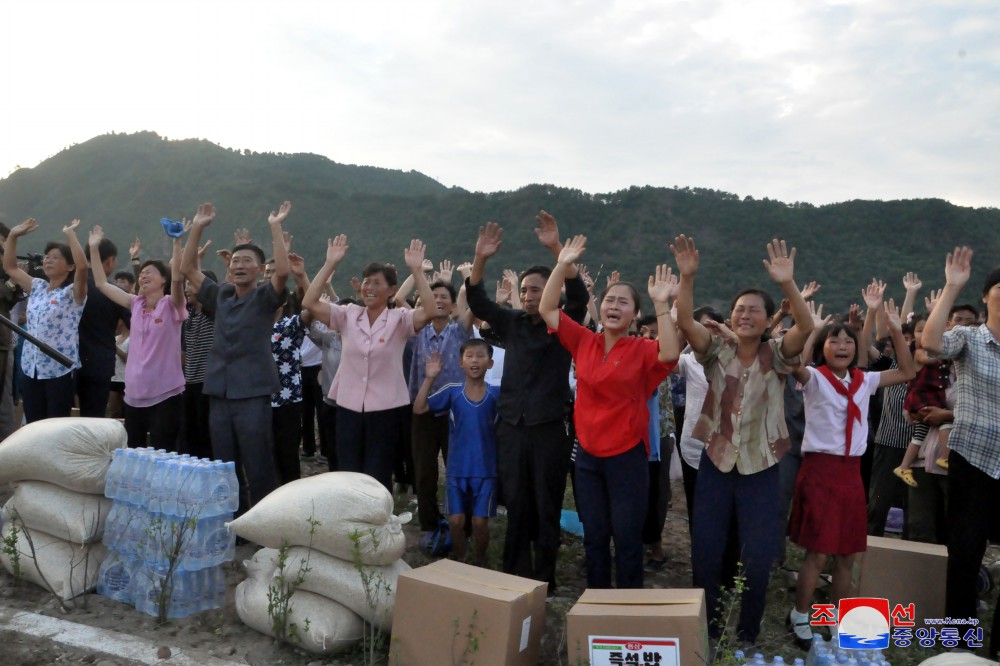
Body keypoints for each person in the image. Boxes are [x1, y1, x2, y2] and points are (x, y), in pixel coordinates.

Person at [671, 235, 814, 646]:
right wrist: (687, 277)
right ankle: (709, 631)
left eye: (754, 309)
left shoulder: (779, 354)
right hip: (716, 463)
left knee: (756, 557)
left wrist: (787, 284)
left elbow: (805, 327)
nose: (745, 314)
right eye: (739, 309)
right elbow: (685, 321)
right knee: (707, 551)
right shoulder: (715, 351)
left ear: (768, 319)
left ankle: (747, 635)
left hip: (762, 467)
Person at [539, 235, 680, 588]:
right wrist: (560, 264)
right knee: (595, 536)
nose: (614, 306)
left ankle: (628, 609)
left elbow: (669, 354)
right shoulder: (585, 341)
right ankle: (598, 605)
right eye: (609, 300)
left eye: (623, 302)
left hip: (627, 458)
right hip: (587, 457)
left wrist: (661, 305)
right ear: (599, 307)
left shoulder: (642, 349)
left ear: (634, 313)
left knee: (628, 539)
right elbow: (547, 309)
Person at [464, 213, 589, 597]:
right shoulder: (514, 321)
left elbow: (580, 297)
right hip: (512, 425)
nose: (530, 295)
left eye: (537, 289)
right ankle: (514, 573)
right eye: (526, 289)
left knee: (547, 501)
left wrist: (558, 252)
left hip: (550, 426)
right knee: (516, 501)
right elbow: (478, 301)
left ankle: (544, 578)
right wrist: (480, 258)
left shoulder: (562, 323)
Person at [786, 298, 915, 647]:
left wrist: (895, 332)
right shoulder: (814, 378)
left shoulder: (865, 381)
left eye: (847, 341)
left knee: (848, 551)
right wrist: (811, 329)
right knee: (818, 551)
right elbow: (794, 362)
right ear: (823, 349)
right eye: (834, 340)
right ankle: (799, 614)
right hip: (820, 470)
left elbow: (907, 372)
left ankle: (834, 616)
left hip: (850, 474)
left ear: (856, 347)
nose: (841, 346)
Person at [301, 235, 437, 491]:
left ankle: (375, 525)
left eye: (377, 282)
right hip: (349, 407)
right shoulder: (349, 315)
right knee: (348, 470)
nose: (369, 287)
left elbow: (430, 311)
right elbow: (309, 302)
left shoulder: (400, 319)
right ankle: (351, 524)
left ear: (392, 290)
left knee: (378, 471)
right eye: (366, 281)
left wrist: (417, 271)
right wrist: (330, 264)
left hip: (385, 410)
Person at [180, 201, 291, 510]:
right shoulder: (222, 295)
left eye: (247, 261)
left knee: (258, 463)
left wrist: (275, 226)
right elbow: (187, 268)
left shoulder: (265, 297)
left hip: (252, 394)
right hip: (219, 393)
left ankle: (264, 523)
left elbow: (282, 271)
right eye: (236, 261)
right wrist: (199, 226)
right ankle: (235, 522)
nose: (239, 265)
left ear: (258, 269)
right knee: (225, 465)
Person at [920, 247, 1000, 659]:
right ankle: (959, 646)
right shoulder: (970, 338)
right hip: (973, 461)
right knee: (965, 553)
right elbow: (931, 343)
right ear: (987, 296)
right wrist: (952, 286)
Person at [89, 226, 186, 448]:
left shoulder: (172, 305)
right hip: (134, 393)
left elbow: (179, 280)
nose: (143, 275)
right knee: (134, 450)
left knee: (162, 451)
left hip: (166, 393)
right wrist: (94, 249)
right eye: (142, 272)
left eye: (150, 271)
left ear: (163, 280)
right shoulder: (135, 304)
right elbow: (102, 284)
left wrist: (177, 242)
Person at [413, 338, 500, 565]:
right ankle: (461, 559)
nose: (474, 360)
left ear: (490, 363)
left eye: (480, 356)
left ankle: (480, 561)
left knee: (480, 522)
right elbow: (419, 407)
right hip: (456, 470)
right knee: (456, 521)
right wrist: (430, 377)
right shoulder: (452, 392)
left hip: (486, 471)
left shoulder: (496, 394)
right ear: (461, 362)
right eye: (469, 356)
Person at [2, 218, 88, 422]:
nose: (48, 260)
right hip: (31, 366)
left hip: (58, 368)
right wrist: (13, 236)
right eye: (47, 257)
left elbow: (83, 267)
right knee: (33, 422)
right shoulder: (38, 286)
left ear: (69, 266)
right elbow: (11, 268)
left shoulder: (72, 293)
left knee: (54, 425)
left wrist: (70, 235)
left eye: (55, 257)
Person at [407, 277, 474, 534]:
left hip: (455, 412)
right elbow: (400, 302)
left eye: (444, 296)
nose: (438, 300)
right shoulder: (418, 331)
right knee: (424, 471)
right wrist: (417, 274)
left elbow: (473, 310)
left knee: (456, 469)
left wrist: (471, 281)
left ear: (452, 304)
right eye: (433, 296)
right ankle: (429, 523)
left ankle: (462, 524)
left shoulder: (459, 331)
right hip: (423, 410)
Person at [893, 314, 952, 485]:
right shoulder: (919, 352)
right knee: (944, 421)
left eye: (931, 330)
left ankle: (904, 466)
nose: (926, 334)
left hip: (927, 398)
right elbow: (929, 360)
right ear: (913, 337)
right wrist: (943, 355)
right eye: (920, 331)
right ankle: (945, 457)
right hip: (923, 399)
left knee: (919, 434)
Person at [78, 234, 130, 417]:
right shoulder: (116, 293)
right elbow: (135, 324)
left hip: (66, 361)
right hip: (99, 362)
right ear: (110, 261)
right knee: (93, 417)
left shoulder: (71, 285)